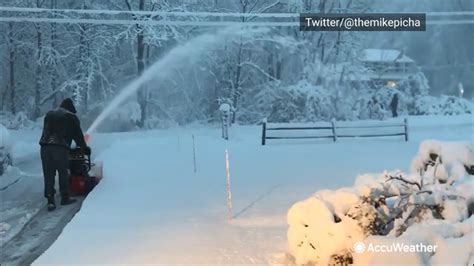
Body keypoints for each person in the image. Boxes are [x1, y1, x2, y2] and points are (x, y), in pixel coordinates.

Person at [39, 98, 91, 211]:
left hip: (45, 147)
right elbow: (78, 135)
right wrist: (84, 148)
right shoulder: (71, 116)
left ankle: (50, 200)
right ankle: (65, 197)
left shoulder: (49, 114)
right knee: (63, 172)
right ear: (71, 109)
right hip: (60, 148)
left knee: (48, 173)